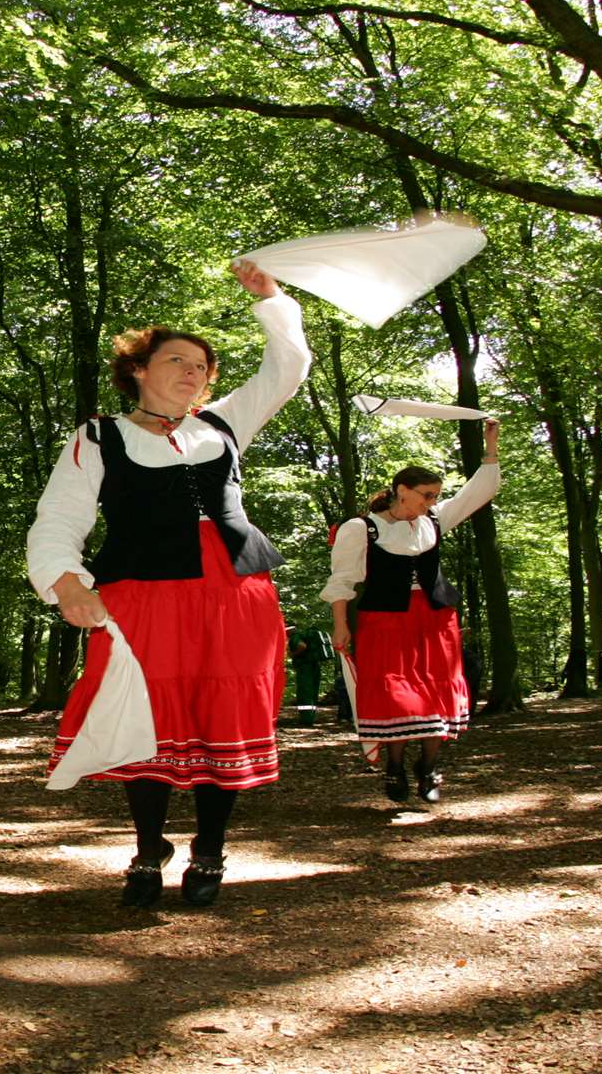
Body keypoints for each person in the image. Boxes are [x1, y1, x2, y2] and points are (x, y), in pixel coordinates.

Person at [27, 259, 308, 909]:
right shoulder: (98, 437)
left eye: (202, 366)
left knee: (222, 719)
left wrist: (271, 299)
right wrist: (66, 585)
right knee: (142, 719)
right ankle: (148, 849)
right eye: (177, 360)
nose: (192, 372)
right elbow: (59, 520)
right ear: (139, 371)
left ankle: (210, 851)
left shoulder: (225, 423)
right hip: (143, 594)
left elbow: (287, 369)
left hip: (236, 594)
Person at [323, 419, 502, 804]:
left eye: (436, 495)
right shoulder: (362, 529)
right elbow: (343, 581)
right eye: (426, 494)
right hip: (385, 620)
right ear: (402, 491)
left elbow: (479, 491)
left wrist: (490, 445)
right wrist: (340, 626)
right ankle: (394, 768)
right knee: (395, 695)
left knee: (436, 693)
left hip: (436, 620)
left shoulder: (434, 521)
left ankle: (430, 768)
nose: (431, 502)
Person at [287, 623, 331, 725]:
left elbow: (302, 646)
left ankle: (306, 719)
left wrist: (293, 655)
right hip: (314, 665)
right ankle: (312, 716)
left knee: (305, 692)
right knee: (313, 692)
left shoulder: (295, 637)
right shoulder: (303, 634)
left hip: (305, 667)